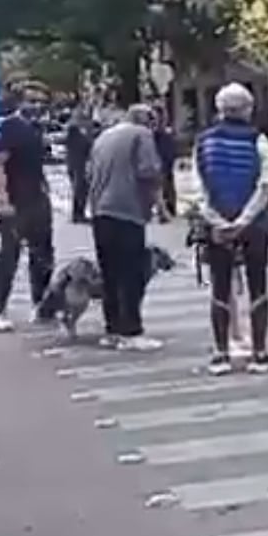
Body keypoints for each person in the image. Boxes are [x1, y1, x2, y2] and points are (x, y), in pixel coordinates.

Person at [195, 84, 268, 376]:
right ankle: (259, 353)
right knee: (258, 285)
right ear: (248, 109)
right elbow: (266, 185)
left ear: (219, 109)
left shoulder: (203, 141)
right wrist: (244, 220)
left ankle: (221, 354)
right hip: (255, 224)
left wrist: (218, 221)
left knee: (220, 287)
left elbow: (199, 188)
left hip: (218, 221)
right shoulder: (258, 139)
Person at [86, 103, 165, 352]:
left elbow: (89, 173)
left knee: (110, 274)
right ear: (148, 120)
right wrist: (158, 207)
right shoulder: (142, 135)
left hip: (100, 211)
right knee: (132, 274)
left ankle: (112, 329)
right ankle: (132, 331)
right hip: (126, 209)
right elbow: (148, 171)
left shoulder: (103, 137)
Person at [0, 81, 56, 333]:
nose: (36, 106)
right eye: (31, 101)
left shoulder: (36, 128)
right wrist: (3, 198)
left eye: (40, 102)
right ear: (19, 102)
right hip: (16, 199)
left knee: (43, 254)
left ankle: (41, 305)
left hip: (37, 198)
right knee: (10, 254)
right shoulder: (10, 127)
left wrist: (45, 187)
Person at [64, 109, 95, 223]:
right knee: (80, 189)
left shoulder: (73, 131)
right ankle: (78, 214)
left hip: (73, 163)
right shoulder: (76, 132)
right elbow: (88, 146)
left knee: (79, 189)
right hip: (79, 164)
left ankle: (78, 213)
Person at [152, 111, 179, 222]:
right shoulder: (156, 134)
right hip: (160, 159)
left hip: (163, 160)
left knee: (165, 183)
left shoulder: (165, 134)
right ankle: (165, 208)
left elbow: (169, 151)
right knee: (163, 184)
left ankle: (167, 208)